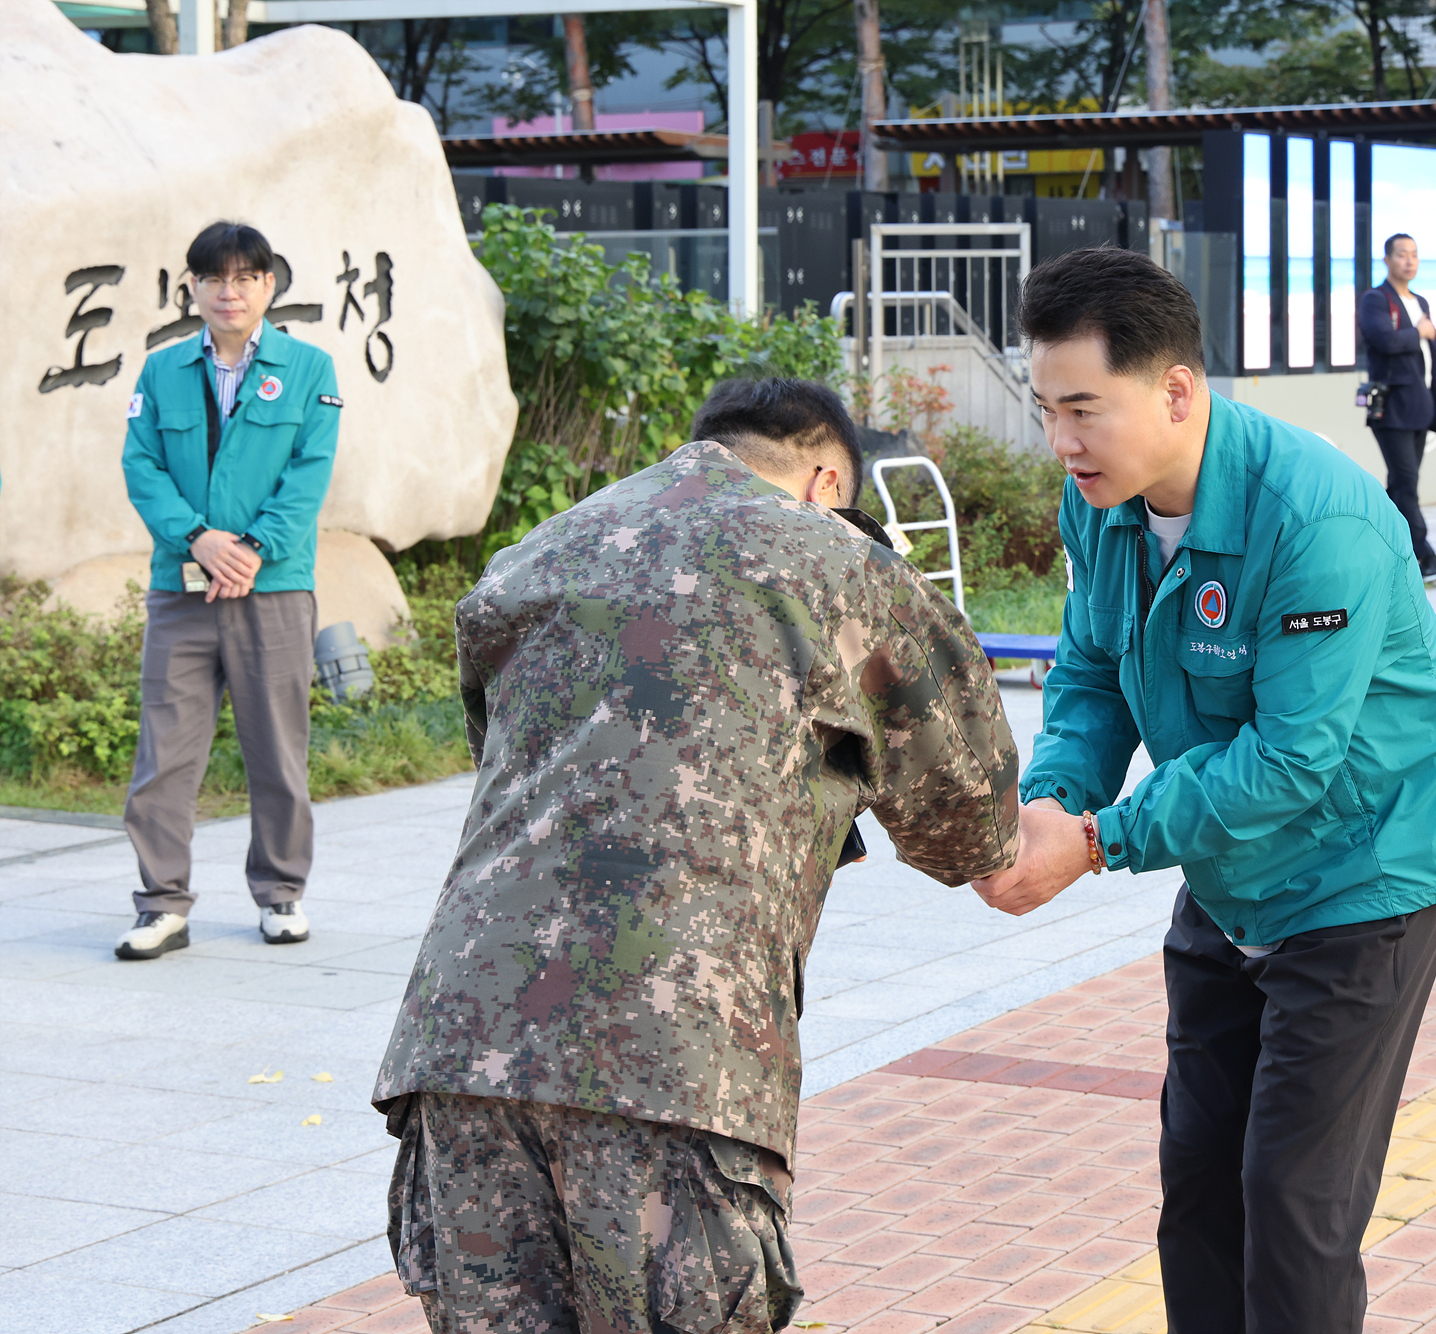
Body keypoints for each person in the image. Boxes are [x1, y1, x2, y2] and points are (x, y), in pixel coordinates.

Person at [372, 377, 1020, 1333]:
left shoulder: (536, 554)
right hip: (672, 1069)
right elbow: (969, 823)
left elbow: (501, 754)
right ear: (825, 477)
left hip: (460, 1049)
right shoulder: (837, 563)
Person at [971, 247, 1436, 1334]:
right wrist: (1055, 800)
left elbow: (1293, 759)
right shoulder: (1098, 507)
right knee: (1197, 1181)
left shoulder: (1314, 517)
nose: (1060, 443)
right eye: (1044, 409)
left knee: (1291, 1204)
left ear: (1175, 390)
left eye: (1082, 410)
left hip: (1359, 876)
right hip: (1230, 868)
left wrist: (1101, 841)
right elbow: (1093, 669)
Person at [114, 220, 341, 961]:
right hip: (179, 591)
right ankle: (161, 905)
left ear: (269, 285)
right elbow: (141, 465)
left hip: (271, 589)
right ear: (193, 288)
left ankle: (281, 894)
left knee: (277, 750)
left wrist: (248, 549)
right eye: (214, 278)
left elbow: (308, 474)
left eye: (245, 277)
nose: (229, 291)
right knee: (164, 756)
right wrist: (199, 540)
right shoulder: (161, 370)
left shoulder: (309, 369)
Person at [1360, 232, 1436, 586]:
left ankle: (1381, 546)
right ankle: (1423, 555)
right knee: (1406, 484)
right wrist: (1419, 333)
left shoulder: (1420, 301)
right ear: (1387, 259)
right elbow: (1384, 339)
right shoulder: (1375, 299)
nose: (1409, 261)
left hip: (1420, 408)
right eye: (1402, 254)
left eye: (1414, 255)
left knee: (1402, 486)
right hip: (1393, 408)